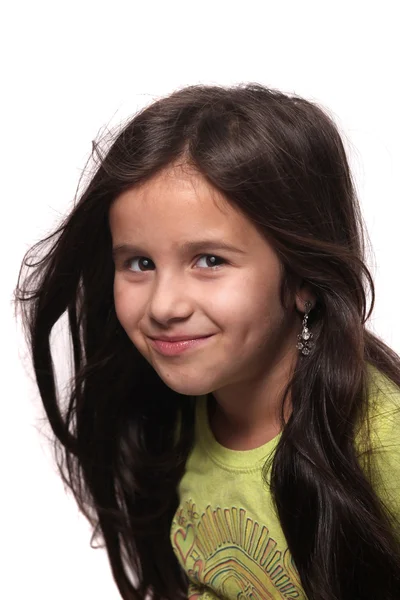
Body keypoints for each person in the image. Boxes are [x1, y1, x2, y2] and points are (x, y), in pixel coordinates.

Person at [16, 83, 400, 600]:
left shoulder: (382, 442)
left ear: (305, 279)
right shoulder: (166, 417)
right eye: (139, 263)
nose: (163, 306)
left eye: (210, 261)